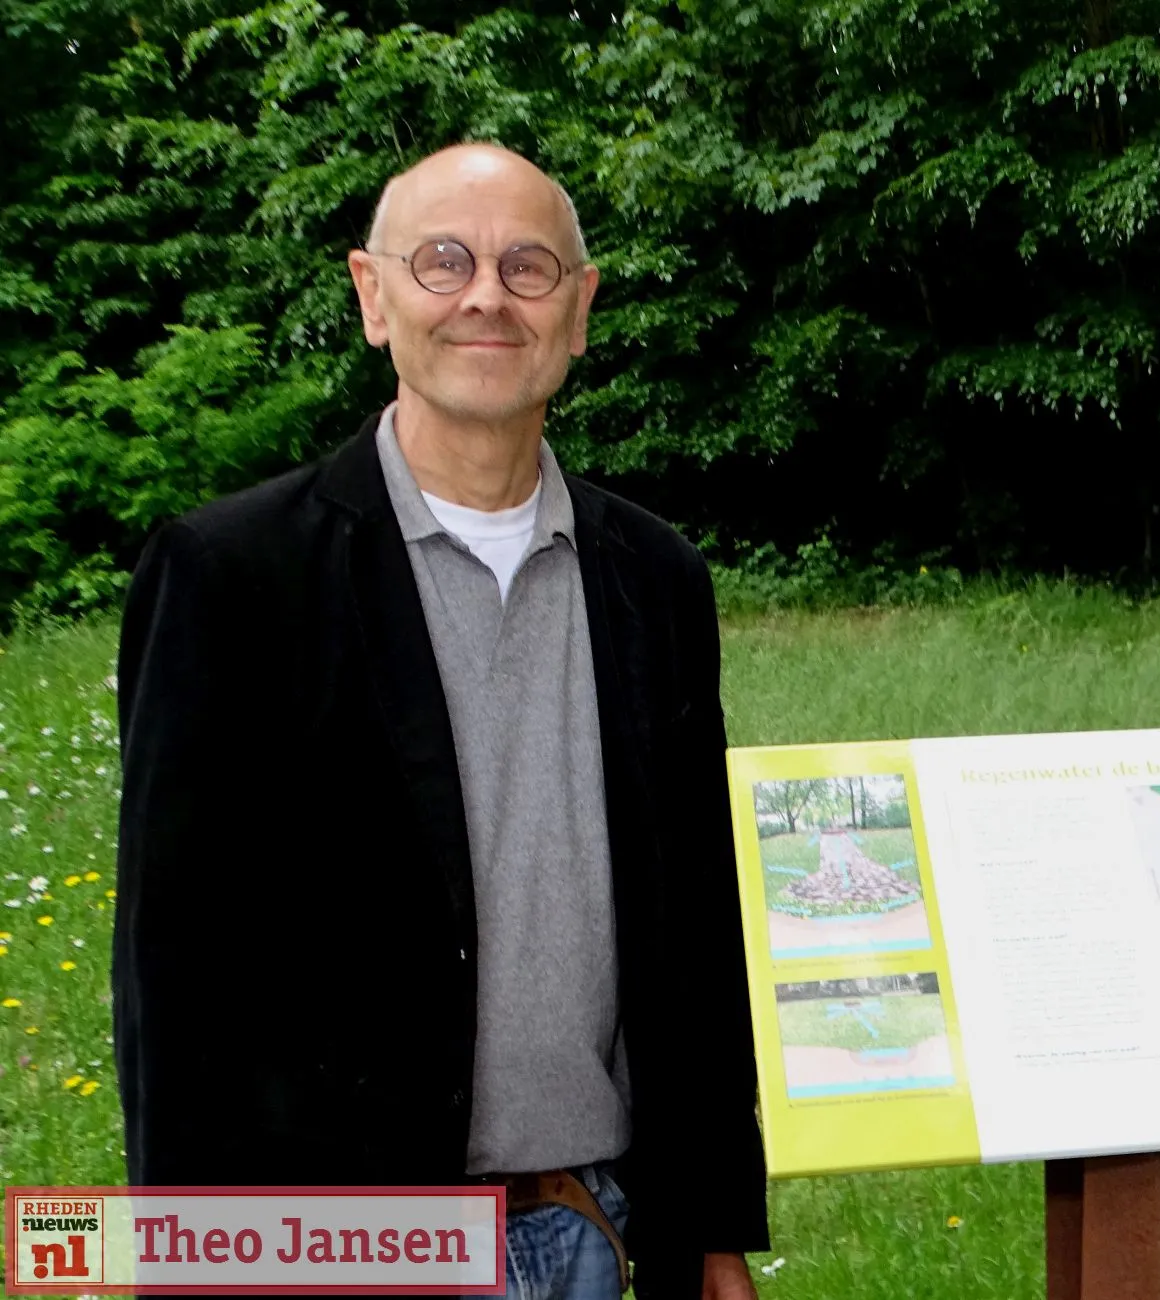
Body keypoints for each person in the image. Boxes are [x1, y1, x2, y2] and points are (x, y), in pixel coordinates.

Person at [114, 143, 763, 1300]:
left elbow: (697, 934)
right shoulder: (233, 576)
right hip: (343, 1251)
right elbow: (175, 978)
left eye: (527, 268)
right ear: (373, 296)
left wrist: (711, 1230)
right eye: (443, 261)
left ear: (579, 309)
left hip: (597, 1224)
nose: (484, 297)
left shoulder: (656, 579)